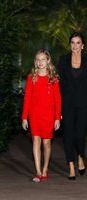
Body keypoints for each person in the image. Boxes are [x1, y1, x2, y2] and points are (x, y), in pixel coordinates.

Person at [22, 49, 61, 182]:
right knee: (36, 141)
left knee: (46, 143)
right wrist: (24, 117)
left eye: (43, 59)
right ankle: (38, 171)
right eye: (38, 59)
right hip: (34, 115)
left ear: (48, 61)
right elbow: (27, 99)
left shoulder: (53, 79)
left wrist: (57, 118)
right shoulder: (31, 78)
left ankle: (45, 169)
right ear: (35, 62)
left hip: (49, 116)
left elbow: (58, 100)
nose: (40, 62)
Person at [58, 32, 87, 180]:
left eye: (78, 43)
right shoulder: (63, 61)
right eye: (73, 43)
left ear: (83, 45)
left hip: (83, 104)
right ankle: (71, 165)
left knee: (79, 134)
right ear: (70, 45)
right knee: (68, 134)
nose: (75, 46)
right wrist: (59, 108)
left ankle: (81, 156)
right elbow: (60, 85)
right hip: (67, 104)